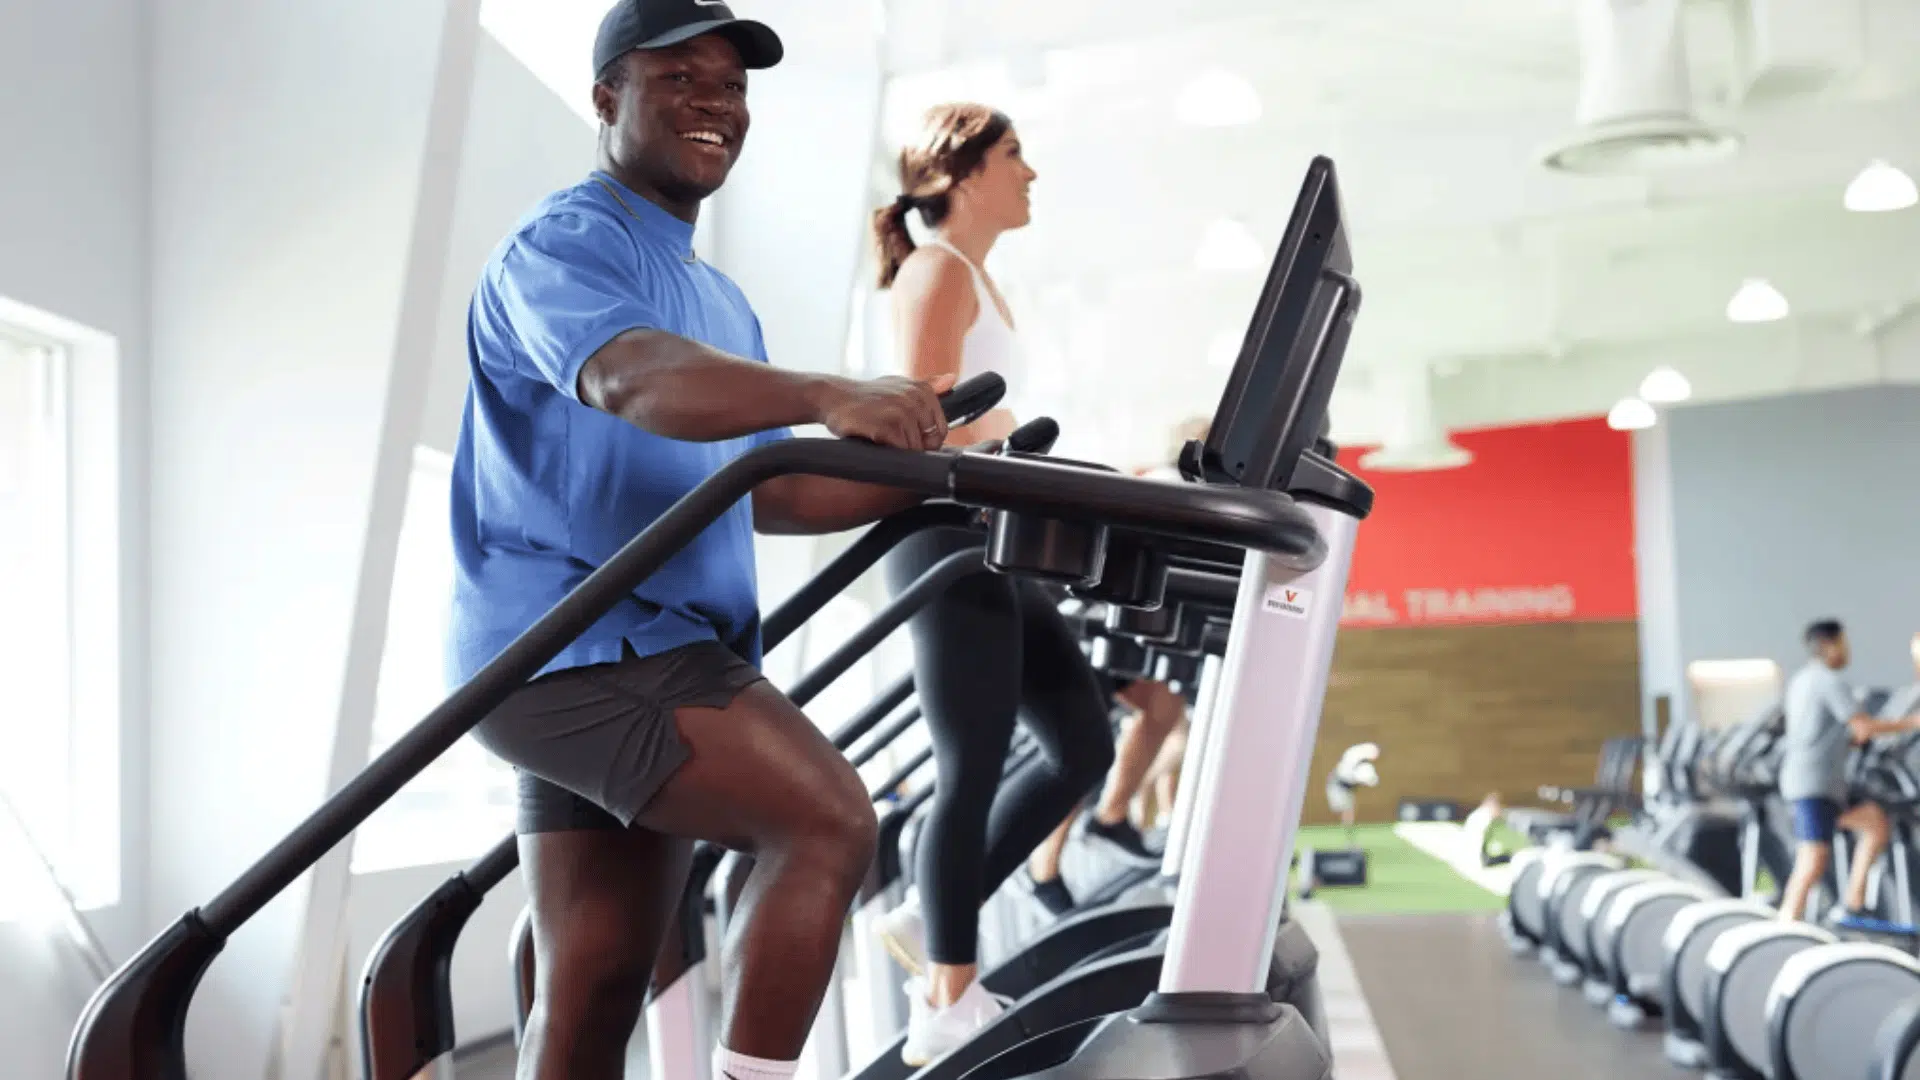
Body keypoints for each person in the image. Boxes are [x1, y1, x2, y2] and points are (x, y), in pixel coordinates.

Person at [447, 5, 965, 1079]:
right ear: (606, 100)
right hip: (582, 646)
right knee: (826, 823)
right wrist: (830, 390)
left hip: (638, 652)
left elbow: (771, 491)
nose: (714, 105)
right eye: (680, 78)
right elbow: (634, 382)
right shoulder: (567, 244)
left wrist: (938, 481)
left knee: (592, 987)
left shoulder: (718, 298)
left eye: (730, 88)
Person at [866, 102, 1117, 1063]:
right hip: (943, 537)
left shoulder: (980, 282)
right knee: (969, 764)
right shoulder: (935, 269)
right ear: (963, 173)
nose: (1032, 173)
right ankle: (946, 1006)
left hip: (997, 537)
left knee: (1080, 741)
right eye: (1015, 155)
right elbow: (917, 418)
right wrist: (1009, 427)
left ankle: (939, 930)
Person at [1776, 619, 1920, 926]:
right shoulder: (1828, 681)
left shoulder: (1801, 681)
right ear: (1829, 645)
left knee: (1874, 823)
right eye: (1844, 644)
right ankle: (1783, 927)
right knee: (1812, 861)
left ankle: (1853, 904)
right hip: (1815, 784)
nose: (1847, 651)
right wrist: (1911, 723)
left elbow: (1842, 733)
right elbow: (1863, 728)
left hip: (1816, 782)